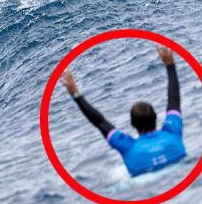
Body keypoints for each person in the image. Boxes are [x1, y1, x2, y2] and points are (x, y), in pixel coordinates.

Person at [61, 44, 186, 176]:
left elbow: (99, 122)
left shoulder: (127, 146)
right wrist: (170, 65)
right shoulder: (172, 132)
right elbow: (174, 101)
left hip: (144, 183)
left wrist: (75, 95)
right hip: (180, 170)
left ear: (132, 124)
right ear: (155, 118)